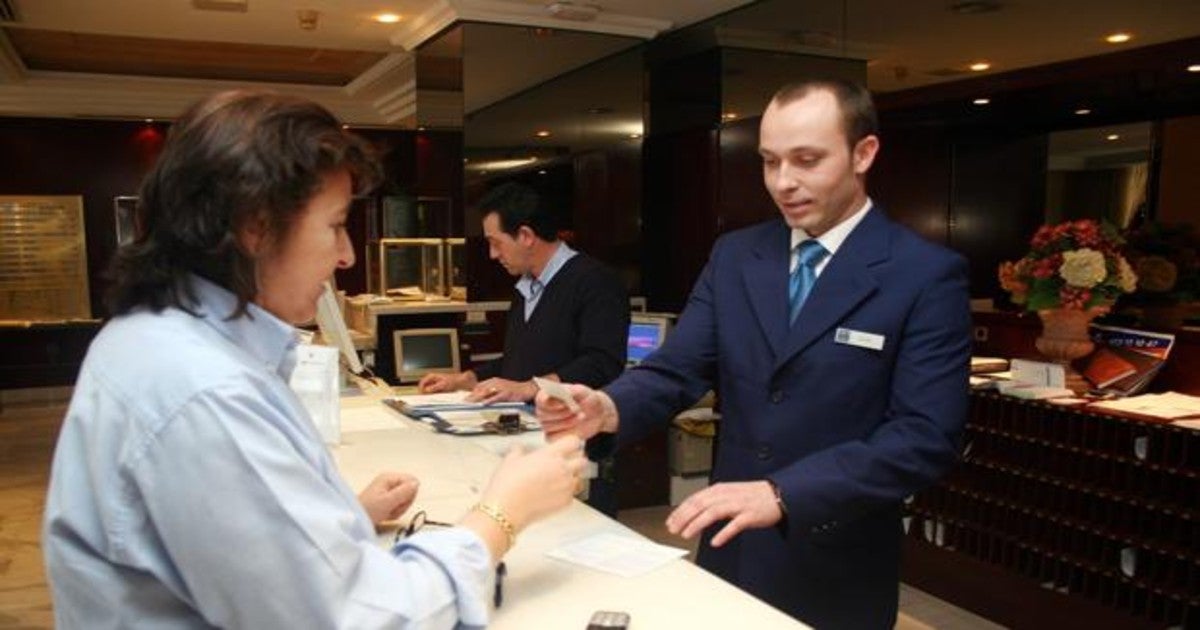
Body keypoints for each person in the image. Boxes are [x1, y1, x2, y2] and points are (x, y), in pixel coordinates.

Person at [42, 90, 587, 628]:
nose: (347, 254)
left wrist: (346, 514)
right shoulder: (205, 391)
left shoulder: (151, 338)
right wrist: (501, 514)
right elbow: (355, 619)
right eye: (334, 225)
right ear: (256, 226)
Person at [538, 78, 971, 629]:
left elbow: (922, 437)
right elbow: (678, 368)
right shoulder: (738, 255)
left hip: (837, 560)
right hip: (731, 548)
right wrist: (608, 407)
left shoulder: (923, 275)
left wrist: (785, 492)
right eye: (769, 162)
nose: (784, 183)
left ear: (864, 153)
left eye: (807, 160)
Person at [418, 182, 629, 515]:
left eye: (495, 243)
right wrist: (465, 379)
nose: (492, 254)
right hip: (528, 443)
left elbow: (603, 363)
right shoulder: (526, 287)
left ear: (527, 236)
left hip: (577, 449)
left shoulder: (595, 282)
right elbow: (519, 361)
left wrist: (527, 388)